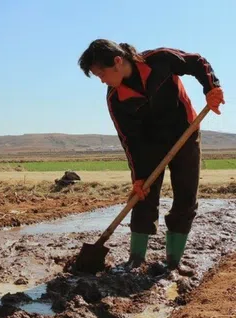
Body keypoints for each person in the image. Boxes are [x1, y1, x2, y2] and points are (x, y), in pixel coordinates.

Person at [78, 39, 225, 271]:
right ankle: (136, 259)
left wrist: (212, 88)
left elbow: (197, 62)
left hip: (184, 133)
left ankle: (173, 261)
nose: (102, 80)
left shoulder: (160, 60)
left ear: (117, 61)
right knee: (143, 196)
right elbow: (129, 140)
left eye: (101, 74)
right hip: (150, 146)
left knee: (186, 198)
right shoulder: (115, 99)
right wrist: (138, 177)